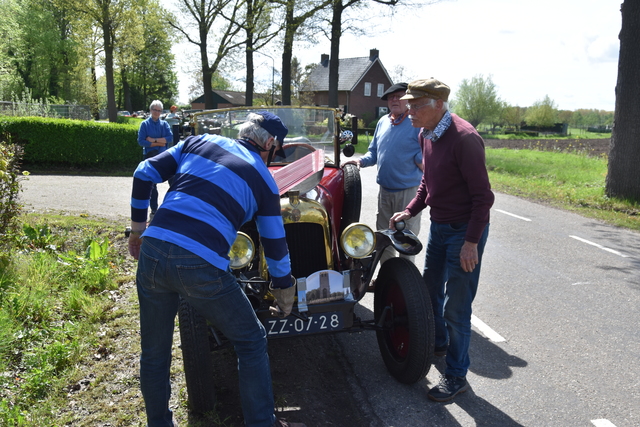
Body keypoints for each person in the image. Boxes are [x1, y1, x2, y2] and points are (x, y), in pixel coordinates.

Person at [128, 111, 306, 427]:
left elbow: (144, 172)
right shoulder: (265, 180)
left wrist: (138, 229)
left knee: (154, 354)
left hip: (153, 251)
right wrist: (283, 286)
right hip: (200, 263)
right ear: (270, 146)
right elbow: (274, 242)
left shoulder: (197, 141)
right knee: (251, 340)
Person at [389, 78, 494, 402]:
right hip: (439, 227)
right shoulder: (425, 134)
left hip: (465, 233)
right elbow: (427, 184)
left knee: (457, 307)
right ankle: (438, 342)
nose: (409, 112)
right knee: (430, 288)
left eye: (415, 106)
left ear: (437, 105)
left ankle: (456, 375)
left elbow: (483, 199)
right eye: (408, 105)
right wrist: (409, 210)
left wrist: (471, 243)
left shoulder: (465, 139)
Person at [343, 82, 422, 264]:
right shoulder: (383, 122)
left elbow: (427, 151)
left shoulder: (416, 122)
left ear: (408, 100)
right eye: (391, 97)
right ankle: (387, 276)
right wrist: (360, 161)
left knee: (406, 238)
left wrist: (421, 158)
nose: (394, 100)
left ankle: (405, 282)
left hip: (408, 192)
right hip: (385, 191)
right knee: (385, 237)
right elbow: (374, 152)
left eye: (399, 96)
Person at [137, 100, 173, 222]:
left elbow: (169, 138)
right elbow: (141, 141)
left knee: (173, 181)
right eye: (155, 110)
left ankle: (173, 207)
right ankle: (154, 210)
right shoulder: (144, 125)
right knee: (152, 186)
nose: (157, 112)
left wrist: (153, 140)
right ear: (151, 110)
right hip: (150, 157)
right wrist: (159, 142)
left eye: (159, 110)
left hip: (164, 156)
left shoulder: (164, 124)